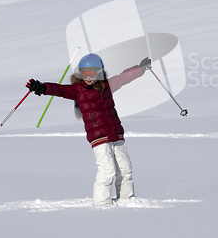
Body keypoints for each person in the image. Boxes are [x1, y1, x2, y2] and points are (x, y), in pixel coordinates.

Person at [26, 53, 151, 207]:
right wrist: (42, 87)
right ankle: (101, 203)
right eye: (84, 74)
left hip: (116, 134)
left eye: (91, 73)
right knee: (107, 171)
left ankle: (127, 200)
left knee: (125, 169)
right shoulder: (78, 90)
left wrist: (141, 68)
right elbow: (60, 90)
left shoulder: (107, 86)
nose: (87, 77)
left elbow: (125, 77)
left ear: (100, 72)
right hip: (99, 137)